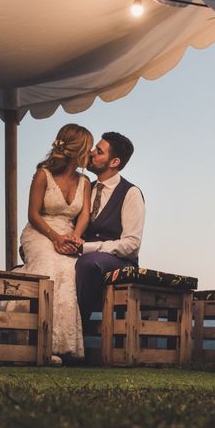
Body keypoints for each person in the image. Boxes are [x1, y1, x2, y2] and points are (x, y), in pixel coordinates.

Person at [15, 123, 93, 361]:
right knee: (50, 266)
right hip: (41, 232)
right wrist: (55, 238)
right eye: (88, 148)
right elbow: (33, 214)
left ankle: (62, 346)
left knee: (70, 270)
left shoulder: (85, 181)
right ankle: (38, 345)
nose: (90, 154)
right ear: (76, 150)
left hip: (69, 235)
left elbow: (85, 215)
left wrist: (75, 237)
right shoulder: (43, 175)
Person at [74, 132, 144, 330]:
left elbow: (132, 245)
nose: (91, 153)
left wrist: (89, 248)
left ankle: (78, 335)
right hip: (83, 254)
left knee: (88, 264)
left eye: (99, 151)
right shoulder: (87, 187)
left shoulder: (131, 193)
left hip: (120, 260)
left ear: (114, 162)